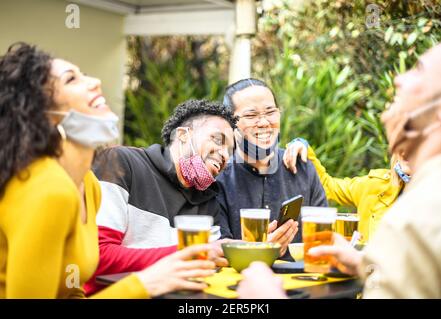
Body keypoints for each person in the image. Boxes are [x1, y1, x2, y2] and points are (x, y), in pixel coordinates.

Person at [0, 43, 216, 298]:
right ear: (42, 113)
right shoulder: (49, 189)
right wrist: (145, 284)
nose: (95, 82)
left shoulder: (88, 185)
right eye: (71, 79)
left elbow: (72, 292)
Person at [237, 41, 441, 299]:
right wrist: (364, 265)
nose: (399, 79)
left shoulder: (421, 214)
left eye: (419, 71)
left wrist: (266, 297)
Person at [84, 99, 237, 295]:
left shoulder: (208, 199)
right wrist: (187, 255)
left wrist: (259, 249)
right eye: (218, 140)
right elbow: (96, 256)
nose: (224, 154)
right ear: (183, 135)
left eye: (230, 151)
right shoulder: (121, 163)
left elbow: (213, 263)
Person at [218, 78, 328, 257]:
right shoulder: (219, 179)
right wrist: (260, 252)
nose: (263, 122)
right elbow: (218, 253)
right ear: (230, 124)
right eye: (251, 115)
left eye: (270, 112)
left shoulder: (303, 169)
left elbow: (323, 239)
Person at [283, 139, 411, 242]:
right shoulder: (375, 185)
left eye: (417, 143)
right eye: (403, 140)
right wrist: (302, 146)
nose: (407, 149)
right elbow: (327, 186)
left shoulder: (430, 197)